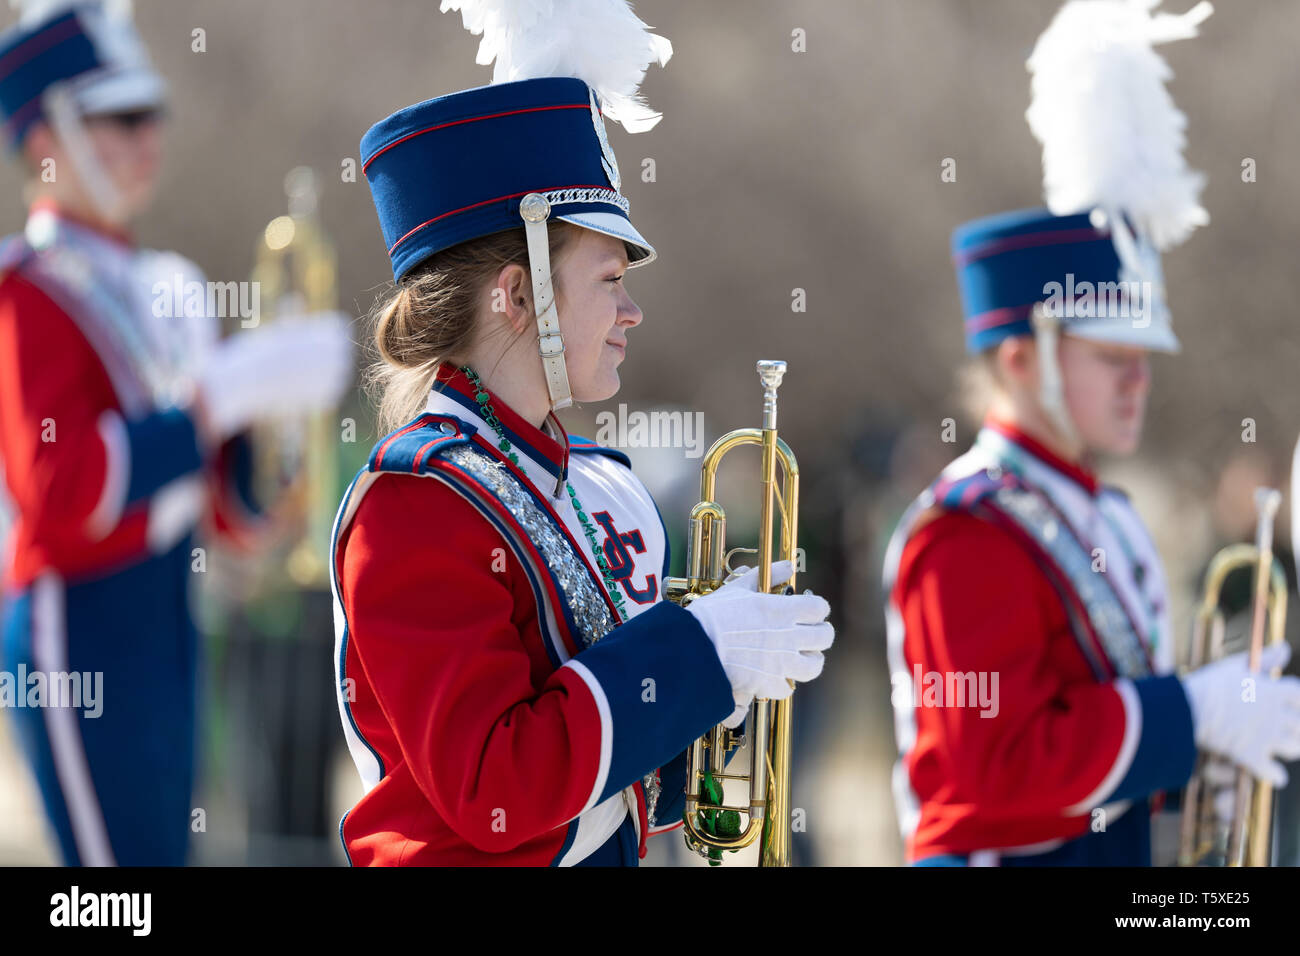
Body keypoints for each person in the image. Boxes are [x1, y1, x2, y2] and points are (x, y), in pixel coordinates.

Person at [332, 0, 834, 866]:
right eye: (609, 277)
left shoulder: (597, 483)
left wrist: (728, 683)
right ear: (517, 295)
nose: (633, 310)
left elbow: (620, 785)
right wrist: (697, 655)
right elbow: (495, 791)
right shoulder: (418, 503)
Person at [882, 0, 1300, 866]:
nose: (1140, 377)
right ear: (1023, 359)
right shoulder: (967, 529)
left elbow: (1099, 755)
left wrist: (1207, 750)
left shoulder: (1099, 512)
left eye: (1143, 354)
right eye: (1111, 355)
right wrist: (1192, 713)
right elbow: (993, 767)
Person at [0, 0, 352, 865]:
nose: (146, 135)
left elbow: (220, 516)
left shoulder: (171, 285)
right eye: (117, 118)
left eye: (148, 113)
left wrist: (273, 445)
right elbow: (65, 490)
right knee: (111, 888)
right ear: (46, 136)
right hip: (74, 622)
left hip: (170, 615)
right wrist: (216, 397)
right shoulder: (28, 285)